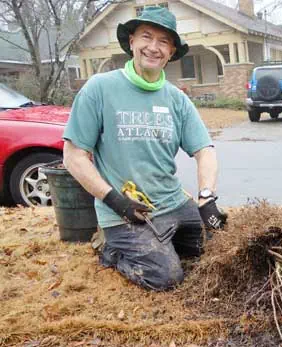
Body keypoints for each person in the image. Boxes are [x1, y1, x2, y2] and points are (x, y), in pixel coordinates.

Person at [62, 7, 227, 291]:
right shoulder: (99, 89)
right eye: (146, 37)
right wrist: (114, 200)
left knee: (223, 248)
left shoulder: (177, 99)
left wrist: (206, 196)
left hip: (174, 203)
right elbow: (73, 156)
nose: (153, 47)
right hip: (125, 211)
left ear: (172, 50)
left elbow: (205, 150)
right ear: (131, 42)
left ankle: (165, 241)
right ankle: (111, 249)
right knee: (166, 277)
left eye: (163, 41)